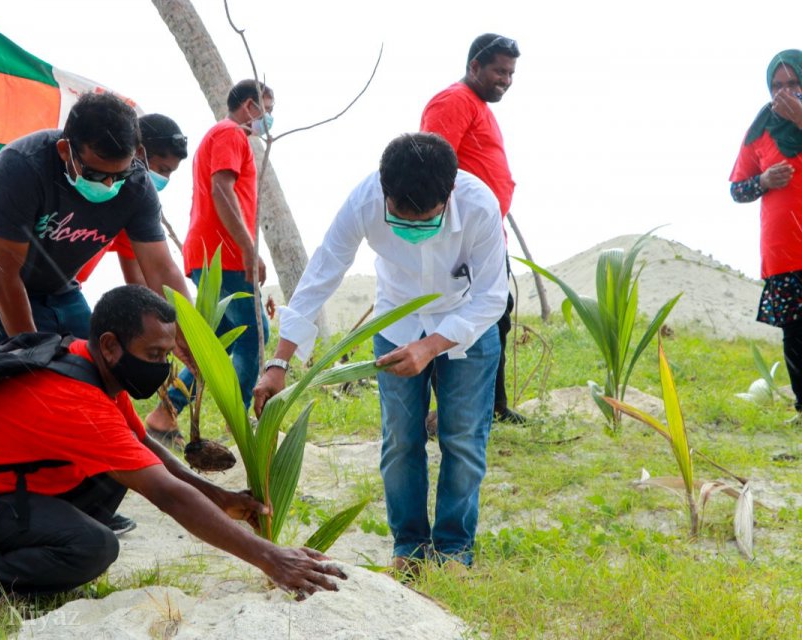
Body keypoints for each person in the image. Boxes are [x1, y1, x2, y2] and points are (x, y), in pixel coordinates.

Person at [0, 285, 345, 629]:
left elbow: (142, 445)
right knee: (94, 548)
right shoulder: (74, 397)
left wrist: (218, 495)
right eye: (153, 354)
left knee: (121, 470)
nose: (162, 368)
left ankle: (40, 558)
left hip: (1, 490)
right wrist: (272, 558)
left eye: (168, 355)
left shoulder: (91, 366)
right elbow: (167, 494)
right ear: (110, 345)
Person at [253, 133, 507, 573]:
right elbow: (323, 271)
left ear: (449, 195)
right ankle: (408, 547)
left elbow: (491, 297)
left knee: (463, 439)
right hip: (396, 325)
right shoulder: (365, 201)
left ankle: (453, 551)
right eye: (400, 219)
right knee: (400, 440)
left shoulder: (480, 205)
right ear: (384, 192)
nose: (411, 230)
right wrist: (279, 360)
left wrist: (430, 347)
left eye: (424, 220)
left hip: (466, 325)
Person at [0, 92, 192, 359]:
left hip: (59, 285)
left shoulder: (137, 186)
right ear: (65, 150)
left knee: (100, 368)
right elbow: (1, 272)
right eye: (96, 174)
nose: (109, 185)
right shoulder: (22, 167)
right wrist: (34, 356)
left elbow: (161, 269)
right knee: (22, 382)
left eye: (119, 175)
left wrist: (192, 337)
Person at [147, 80, 274, 445]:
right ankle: (241, 425)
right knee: (253, 334)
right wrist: (248, 249)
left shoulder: (224, 136)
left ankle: (164, 414)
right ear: (250, 106)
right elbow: (222, 188)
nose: (270, 118)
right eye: (268, 108)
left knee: (214, 342)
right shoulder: (230, 133)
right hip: (224, 255)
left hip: (215, 252)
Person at [420, 33, 526, 424]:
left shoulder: (478, 105)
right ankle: (459, 410)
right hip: (459, 238)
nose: (507, 80)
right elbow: (430, 168)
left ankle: (493, 407)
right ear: (474, 66)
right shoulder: (453, 101)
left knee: (496, 315)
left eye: (511, 73)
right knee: (460, 318)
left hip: (484, 234)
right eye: (500, 70)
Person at [730, 49, 802, 417]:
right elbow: (737, 189)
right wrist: (762, 180)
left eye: (794, 83)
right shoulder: (759, 131)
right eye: (777, 86)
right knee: (795, 335)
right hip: (784, 251)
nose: (785, 92)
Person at [76, 113, 189, 287]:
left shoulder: (133, 204)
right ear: (138, 153)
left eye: (170, 173)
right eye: (163, 169)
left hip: (67, 290)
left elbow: (141, 277)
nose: (165, 178)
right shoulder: (86, 183)